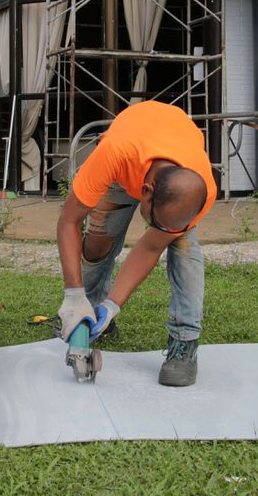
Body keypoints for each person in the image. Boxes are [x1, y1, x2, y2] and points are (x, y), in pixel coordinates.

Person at [55, 100, 216, 387]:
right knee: (96, 245)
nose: (159, 232)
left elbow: (151, 247)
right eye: (157, 223)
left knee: (184, 249)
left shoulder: (199, 189)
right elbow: (69, 221)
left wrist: (114, 304)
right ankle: (84, 314)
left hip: (174, 171)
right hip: (124, 168)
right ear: (145, 192)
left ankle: (185, 342)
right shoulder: (113, 154)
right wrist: (73, 295)